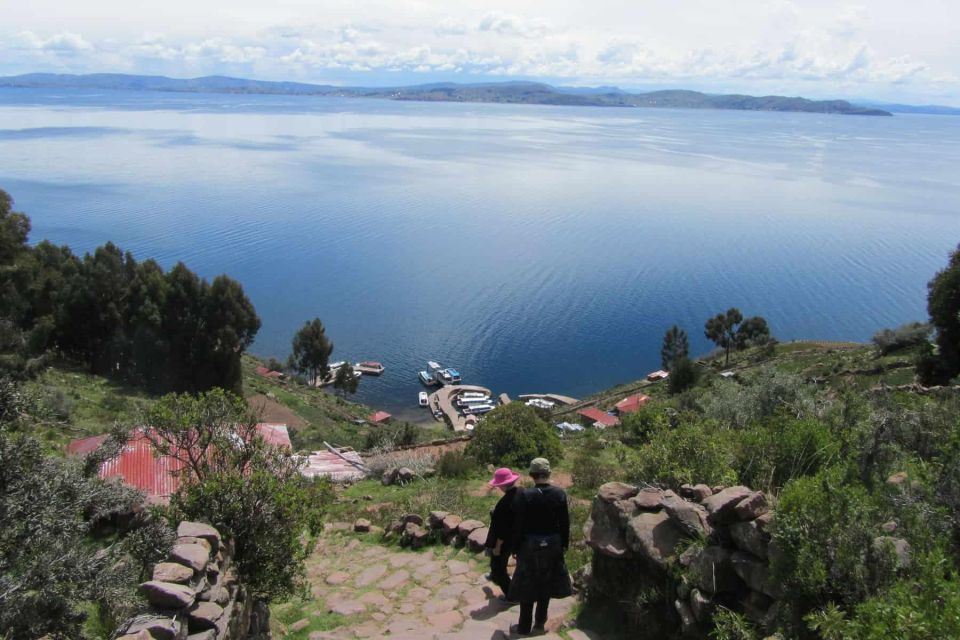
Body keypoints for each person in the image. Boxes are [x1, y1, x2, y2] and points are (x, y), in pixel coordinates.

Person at [508, 457, 572, 636]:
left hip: (529, 546)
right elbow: (564, 523)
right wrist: (564, 545)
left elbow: (518, 525)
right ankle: (539, 623)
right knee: (546, 582)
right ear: (548, 473)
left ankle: (523, 627)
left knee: (527, 584)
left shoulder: (524, 495)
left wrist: (514, 548)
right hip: (553, 544)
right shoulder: (559, 494)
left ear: (532, 475)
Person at [484, 467, 521, 599]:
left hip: (505, 541)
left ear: (502, 486)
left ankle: (512, 596)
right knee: (500, 565)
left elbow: (501, 529)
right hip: (518, 537)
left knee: (498, 568)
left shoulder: (504, 504)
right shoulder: (522, 493)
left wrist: (497, 547)